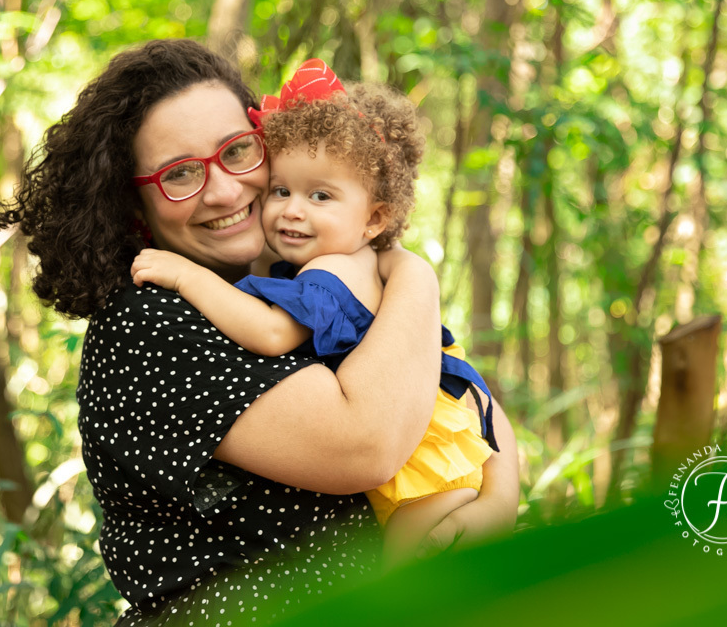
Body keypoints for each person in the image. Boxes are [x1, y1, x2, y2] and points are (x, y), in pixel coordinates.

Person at [0, 40, 518, 625]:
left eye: (237, 150)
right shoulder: (146, 322)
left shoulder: (296, 276)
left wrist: (499, 500)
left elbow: (455, 389)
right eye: (180, 174)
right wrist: (412, 274)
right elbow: (364, 446)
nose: (224, 190)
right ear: (133, 205)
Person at [130, 60, 502, 565]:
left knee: (411, 582)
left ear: (374, 218)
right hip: (432, 457)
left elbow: (271, 332)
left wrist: (184, 276)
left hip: (424, 465)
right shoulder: (368, 267)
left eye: (320, 196)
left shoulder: (332, 272)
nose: (293, 209)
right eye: (282, 191)